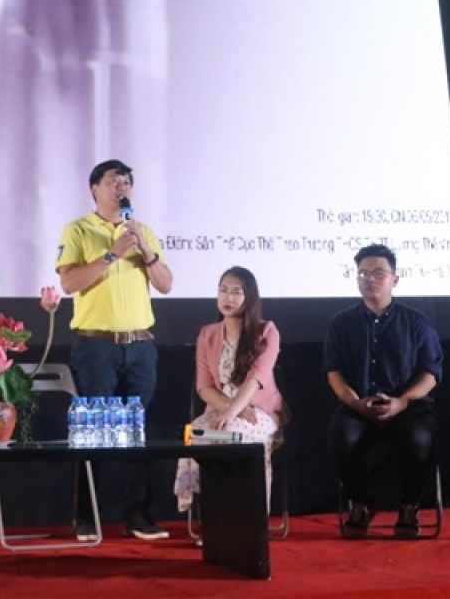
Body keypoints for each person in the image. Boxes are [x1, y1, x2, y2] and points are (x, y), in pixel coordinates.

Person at [56, 158, 174, 541]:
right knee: (94, 432)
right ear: (95, 188)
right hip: (97, 346)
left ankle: (137, 515)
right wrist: (113, 253)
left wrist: (145, 250)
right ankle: (87, 516)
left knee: (137, 433)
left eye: (126, 181)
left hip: (140, 346)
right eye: (113, 181)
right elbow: (69, 283)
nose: (121, 186)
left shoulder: (142, 231)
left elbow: (166, 284)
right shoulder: (78, 229)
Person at [323, 243, 443, 540]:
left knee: (420, 439)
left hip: (407, 405)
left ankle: (410, 506)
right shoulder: (341, 323)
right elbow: (334, 372)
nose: (370, 279)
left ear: (395, 279)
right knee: (341, 436)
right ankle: (361, 503)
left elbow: (431, 374)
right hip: (358, 405)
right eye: (363, 273)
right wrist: (355, 403)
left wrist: (402, 402)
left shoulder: (416, 322)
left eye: (378, 273)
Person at [174, 267, 285, 514]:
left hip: (258, 411)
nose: (228, 297)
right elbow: (204, 386)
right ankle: (215, 515)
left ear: (250, 297)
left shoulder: (267, 331)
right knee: (195, 435)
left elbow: (256, 378)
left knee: (234, 436)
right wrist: (228, 409)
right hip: (220, 409)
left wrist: (234, 411)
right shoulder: (207, 334)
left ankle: (249, 515)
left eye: (236, 292)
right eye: (223, 290)